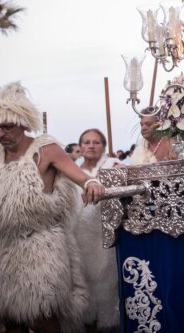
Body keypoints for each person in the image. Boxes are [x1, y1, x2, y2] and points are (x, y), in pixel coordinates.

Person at [0, 81, 106, 333]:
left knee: (43, 316)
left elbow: (82, 177)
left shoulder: (46, 149)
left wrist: (93, 183)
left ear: (23, 122)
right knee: (11, 321)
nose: (1, 134)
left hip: (38, 247)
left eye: (7, 127)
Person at [72, 128, 120, 332]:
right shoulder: (71, 169)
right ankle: (86, 320)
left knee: (108, 280)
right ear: (80, 146)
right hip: (78, 234)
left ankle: (111, 323)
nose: (91, 146)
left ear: (104, 146)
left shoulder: (114, 166)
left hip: (106, 233)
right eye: (86, 142)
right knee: (83, 278)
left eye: (96, 142)